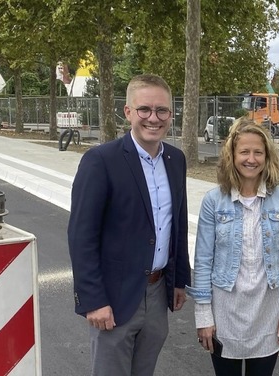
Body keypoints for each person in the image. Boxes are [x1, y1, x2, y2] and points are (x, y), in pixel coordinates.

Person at [68, 74, 190, 375]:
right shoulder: (100, 161)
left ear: (171, 115)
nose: (153, 118)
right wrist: (93, 301)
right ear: (128, 112)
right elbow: (81, 236)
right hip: (115, 298)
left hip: (158, 292)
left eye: (162, 111)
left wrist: (178, 280)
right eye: (144, 110)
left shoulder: (176, 159)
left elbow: (177, 224)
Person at [187, 118, 279, 376]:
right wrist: (203, 316)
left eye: (258, 152)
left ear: (267, 156)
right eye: (244, 152)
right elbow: (203, 260)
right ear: (232, 155)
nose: (251, 159)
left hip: (267, 310)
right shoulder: (213, 201)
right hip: (224, 309)